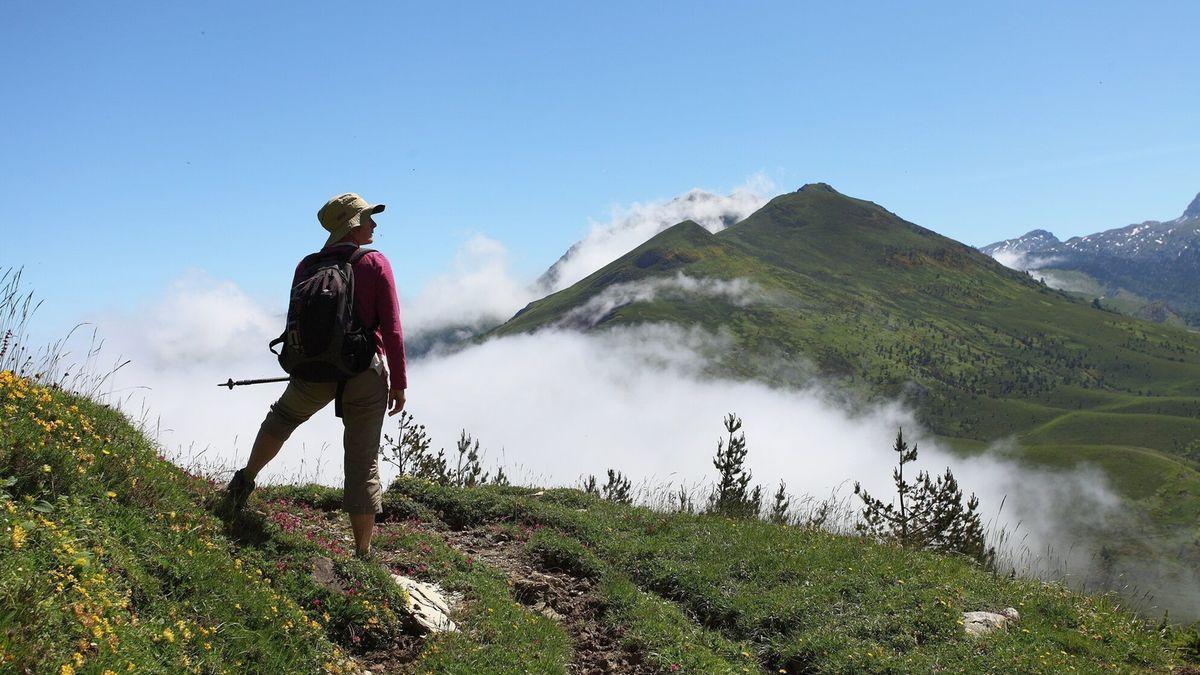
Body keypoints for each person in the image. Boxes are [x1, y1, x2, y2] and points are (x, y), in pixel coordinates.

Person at [220, 192, 407, 558]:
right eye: (368, 218)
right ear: (351, 224)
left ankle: (244, 481)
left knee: (283, 418)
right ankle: (362, 553)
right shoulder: (375, 263)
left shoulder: (307, 265)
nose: (374, 224)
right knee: (362, 457)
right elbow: (393, 328)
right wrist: (399, 381)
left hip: (314, 368)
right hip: (365, 371)